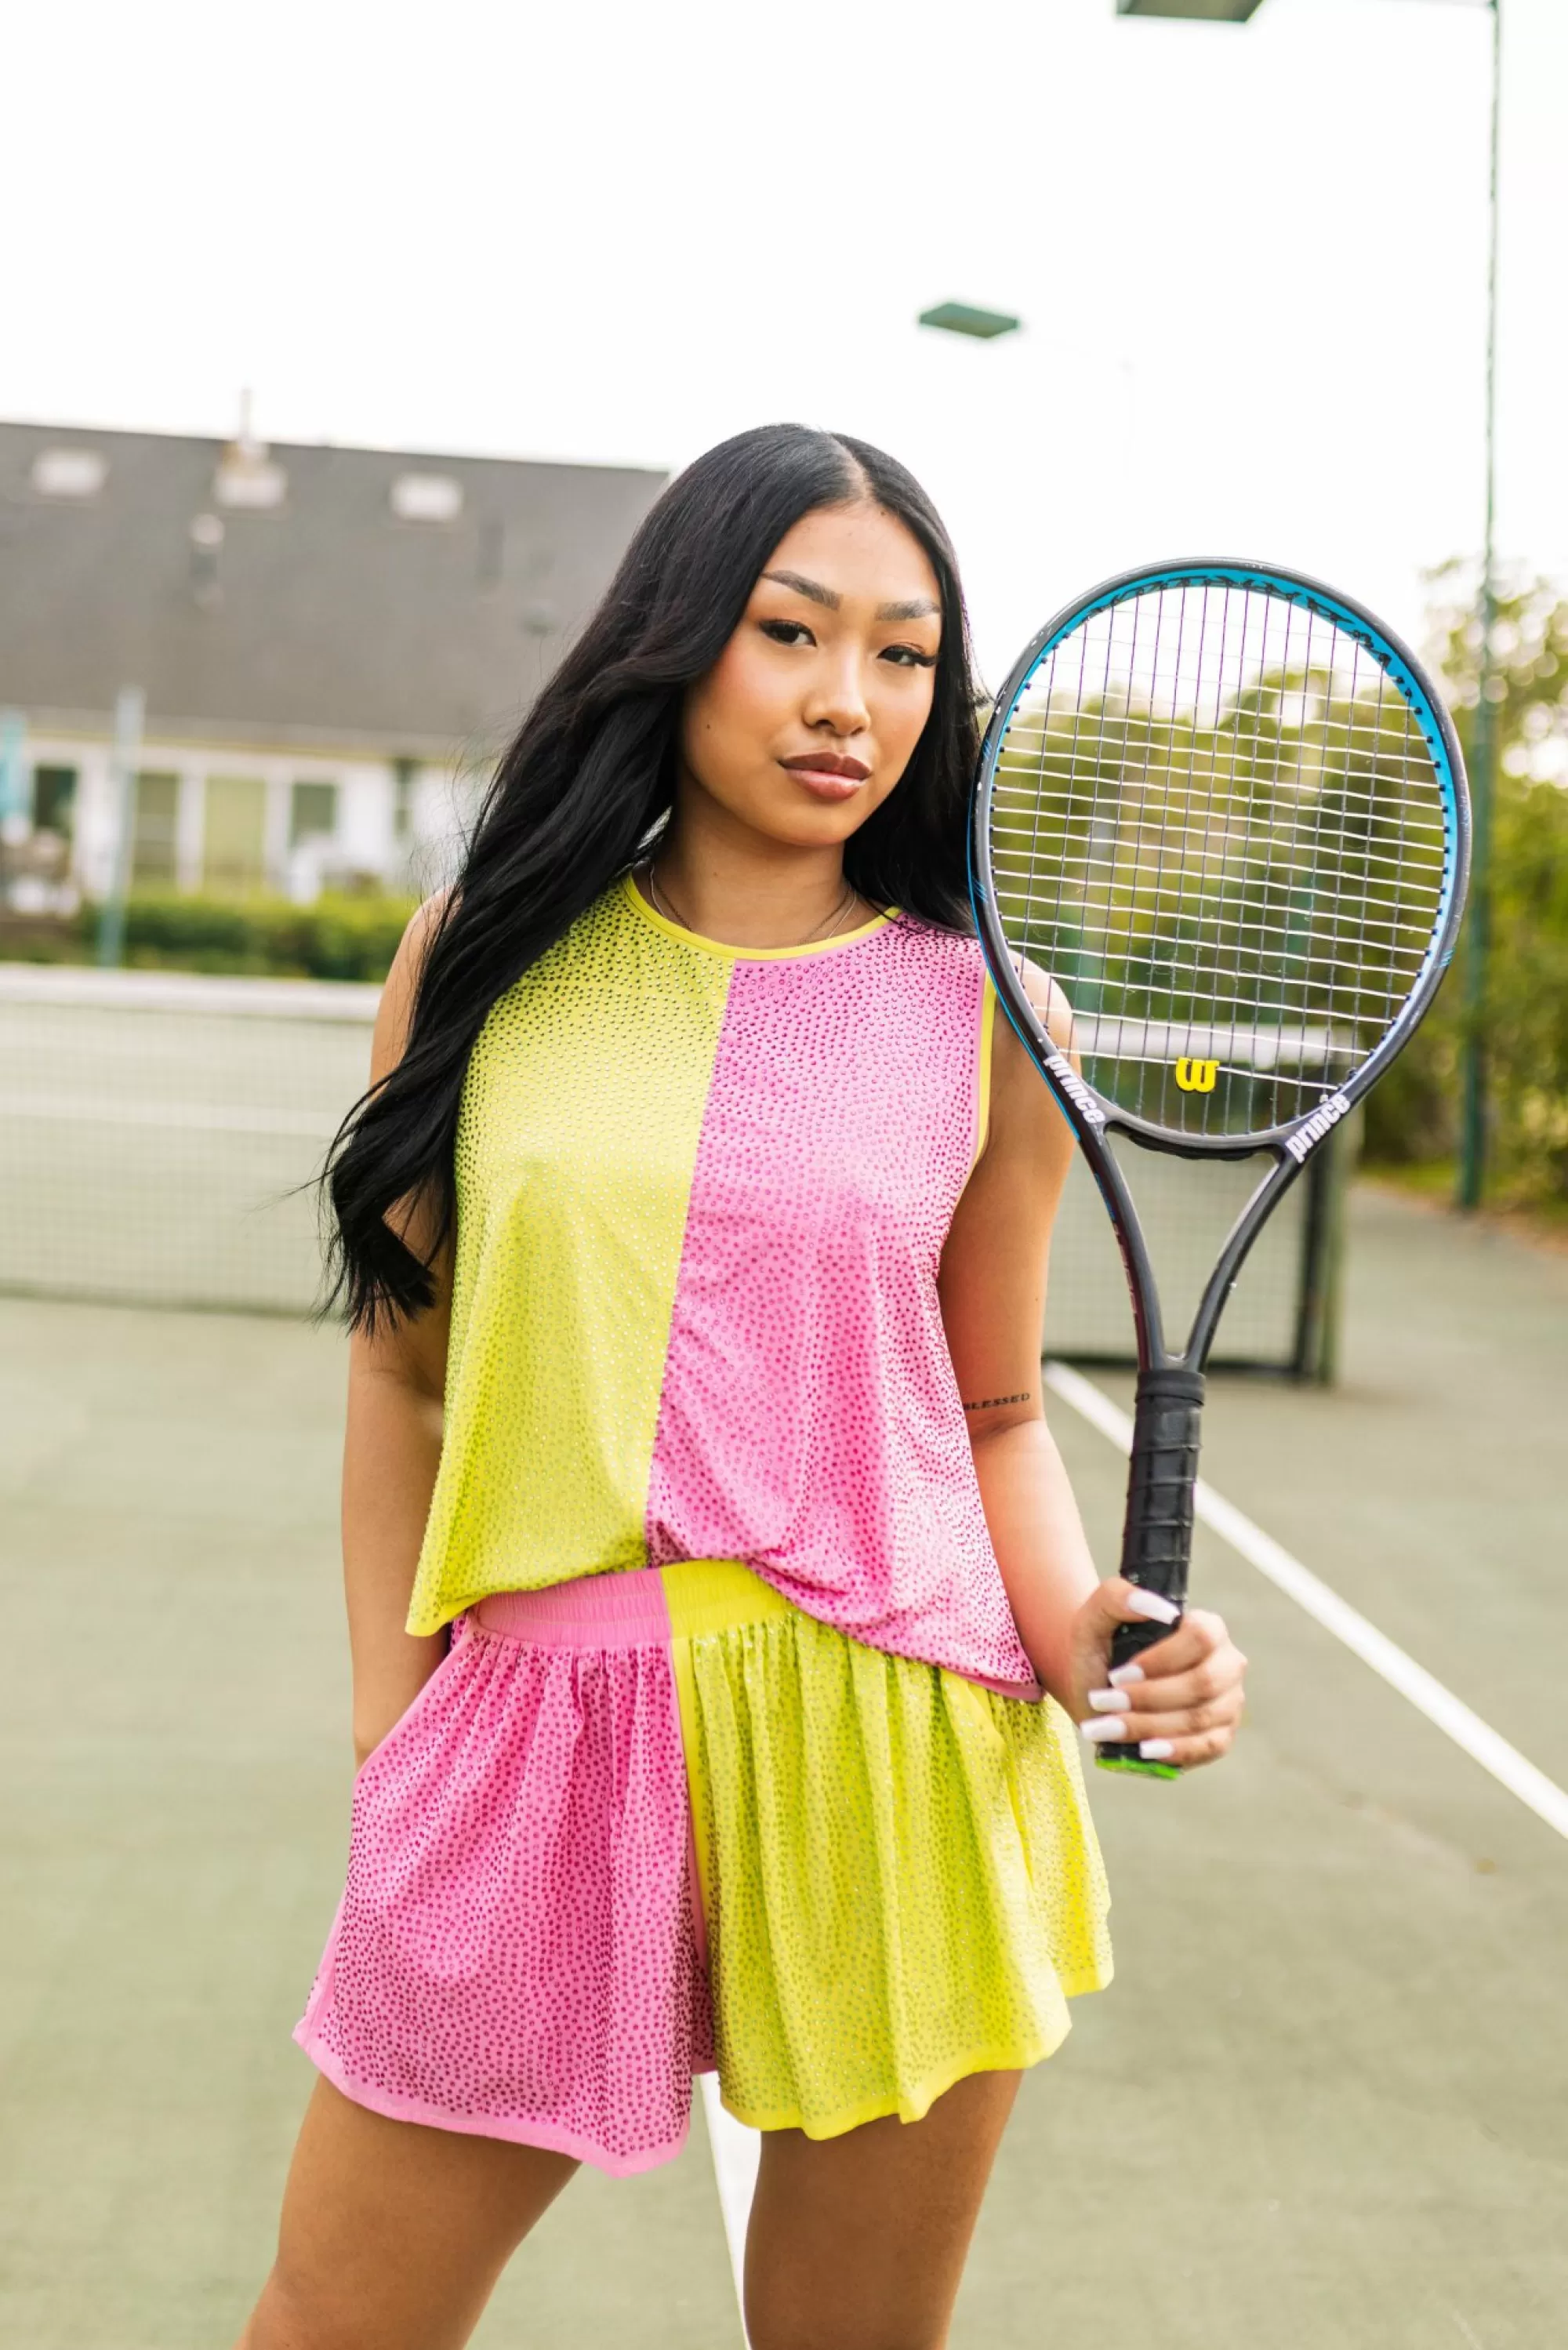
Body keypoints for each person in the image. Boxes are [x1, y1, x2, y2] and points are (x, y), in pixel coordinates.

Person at [237, 423, 1247, 2350]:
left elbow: (995, 1410)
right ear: (681, 637)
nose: (845, 702)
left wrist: (1091, 1630)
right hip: (535, 1736)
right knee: (329, 2320)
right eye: (792, 633)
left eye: (900, 655)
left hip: (902, 1752)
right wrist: (393, 1722)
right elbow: (401, 1377)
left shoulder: (988, 1004)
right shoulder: (482, 959)